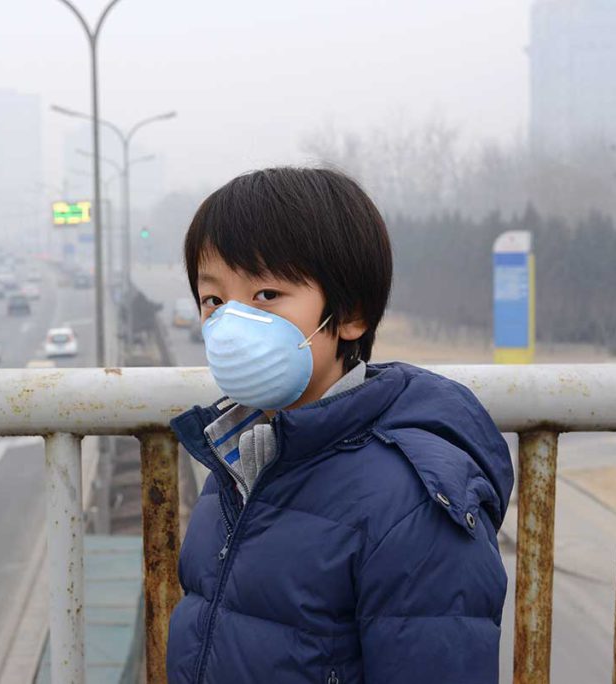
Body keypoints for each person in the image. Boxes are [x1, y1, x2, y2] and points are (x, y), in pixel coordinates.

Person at [166, 167, 513, 683]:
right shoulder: (237, 464)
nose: (229, 325)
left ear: (350, 314)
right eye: (213, 300)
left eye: (266, 295)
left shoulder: (410, 505)